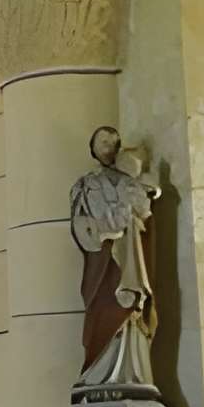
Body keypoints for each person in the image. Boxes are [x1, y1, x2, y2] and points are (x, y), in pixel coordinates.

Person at [69, 126, 160, 390]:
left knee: (131, 308)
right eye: (102, 141)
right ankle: (97, 373)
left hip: (131, 257)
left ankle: (132, 374)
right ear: (93, 148)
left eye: (112, 142)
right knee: (102, 308)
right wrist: (105, 229)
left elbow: (144, 214)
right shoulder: (86, 184)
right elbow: (80, 225)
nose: (107, 146)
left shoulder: (131, 183)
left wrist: (142, 194)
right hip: (103, 261)